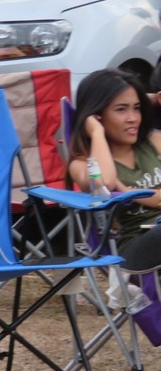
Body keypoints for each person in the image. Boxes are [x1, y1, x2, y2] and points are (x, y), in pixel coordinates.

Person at [68, 67, 161, 272]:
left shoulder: (154, 142)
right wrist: (97, 134)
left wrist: (127, 191)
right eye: (121, 110)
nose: (133, 118)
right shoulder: (81, 165)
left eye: (137, 108)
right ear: (97, 115)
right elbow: (105, 183)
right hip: (133, 248)